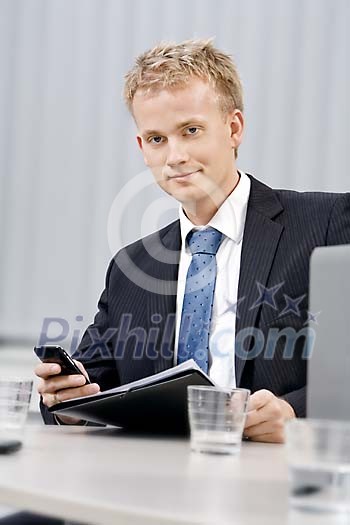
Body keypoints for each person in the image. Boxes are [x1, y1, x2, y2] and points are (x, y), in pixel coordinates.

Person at [35, 39, 350, 443]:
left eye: (191, 130)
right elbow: (91, 381)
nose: (175, 156)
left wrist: (296, 413)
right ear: (141, 148)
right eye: (156, 139)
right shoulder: (131, 269)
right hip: (149, 482)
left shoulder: (325, 225)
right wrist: (67, 400)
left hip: (274, 484)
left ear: (233, 128)